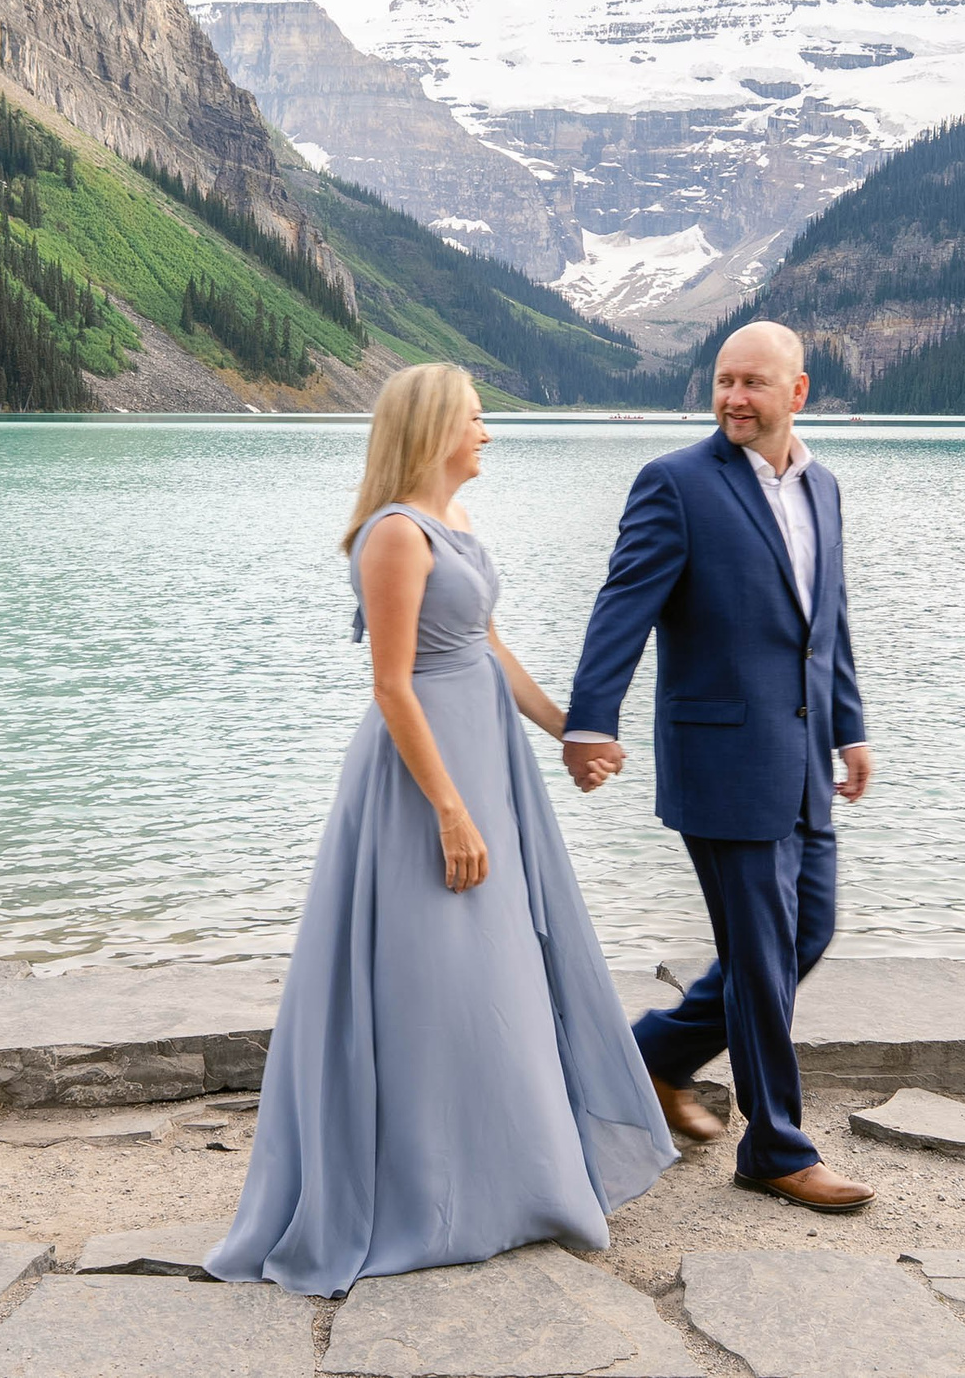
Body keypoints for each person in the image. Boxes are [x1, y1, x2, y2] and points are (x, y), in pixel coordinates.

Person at [206, 363, 677, 1296]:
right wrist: (450, 807)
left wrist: (572, 734)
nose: (487, 434)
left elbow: (489, 651)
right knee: (433, 974)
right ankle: (423, 1195)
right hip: (425, 781)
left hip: (486, 762)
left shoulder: (453, 523)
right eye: (474, 419)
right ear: (432, 431)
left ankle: (515, 1182)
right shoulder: (392, 535)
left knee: (495, 969)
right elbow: (391, 685)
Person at [561, 321, 877, 1213]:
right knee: (766, 952)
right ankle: (776, 1146)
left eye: (754, 383)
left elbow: (829, 622)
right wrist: (591, 721)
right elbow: (623, 604)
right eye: (723, 380)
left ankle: (649, 1056)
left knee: (804, 931)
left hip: (806, 759)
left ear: (798, 392)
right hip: (723, 760)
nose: (735, 396)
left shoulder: (825, 487)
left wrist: (850, 729)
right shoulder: (676, 482)